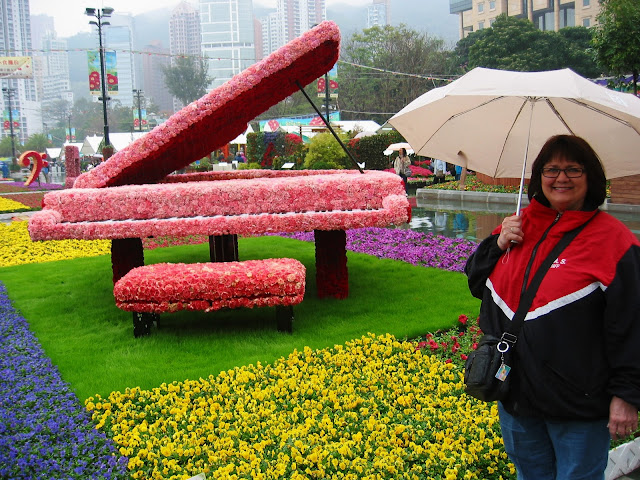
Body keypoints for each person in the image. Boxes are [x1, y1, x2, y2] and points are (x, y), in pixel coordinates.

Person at [464, 134, 640, 480]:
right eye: (552, 169)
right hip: (516, 396)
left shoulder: (615, 241)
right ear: (538, 176)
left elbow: (632, 324)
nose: (561, 178)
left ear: (590, 177)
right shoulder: (519, 224)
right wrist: (498, 242)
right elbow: (475, 281)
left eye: (573, 169)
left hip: (578, 405)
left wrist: (627, 394)